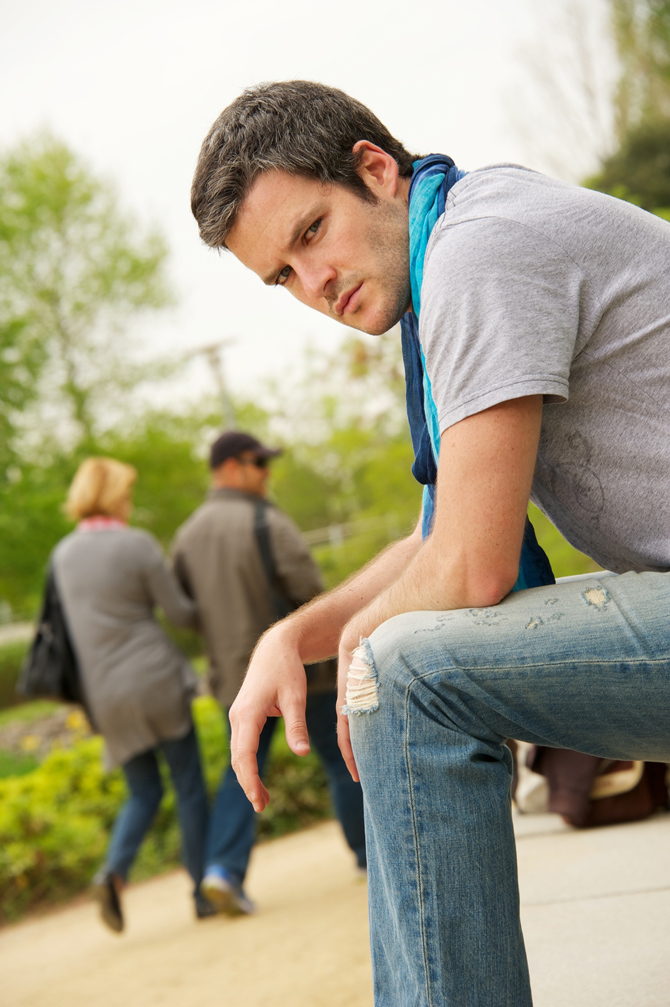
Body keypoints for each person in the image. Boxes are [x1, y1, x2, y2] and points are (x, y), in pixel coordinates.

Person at [190, 81, 670, 1005]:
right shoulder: (458, 239)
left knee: (406, 668)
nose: (313, 284)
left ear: (375, 168)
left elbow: (471, 568)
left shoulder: (479, 251)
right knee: (392, 647)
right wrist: (293, 635)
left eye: (311, 232)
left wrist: (364, 644)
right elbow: (439, 538)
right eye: (282, 276)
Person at [172, 429, 366, 916]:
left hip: (234, 679)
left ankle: (221, 870)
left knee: (243, 767)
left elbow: (182, 612)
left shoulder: (186, 535)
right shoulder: (266, 520)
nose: (267, 473)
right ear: (233, 467)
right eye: (259, 463)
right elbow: (309, 589)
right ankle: (369, 856)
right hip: (297, 670)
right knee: (340, 753)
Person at [54, 457, 213, 932]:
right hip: (155, 681)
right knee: (187, 787)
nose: (129, 502)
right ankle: (202, 890)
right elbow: (181, 613)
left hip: (104, 695)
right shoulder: (136, 544)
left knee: (142, 791)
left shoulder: (62, 556)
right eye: (126, 493)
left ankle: (113, 872)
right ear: (112, 496)